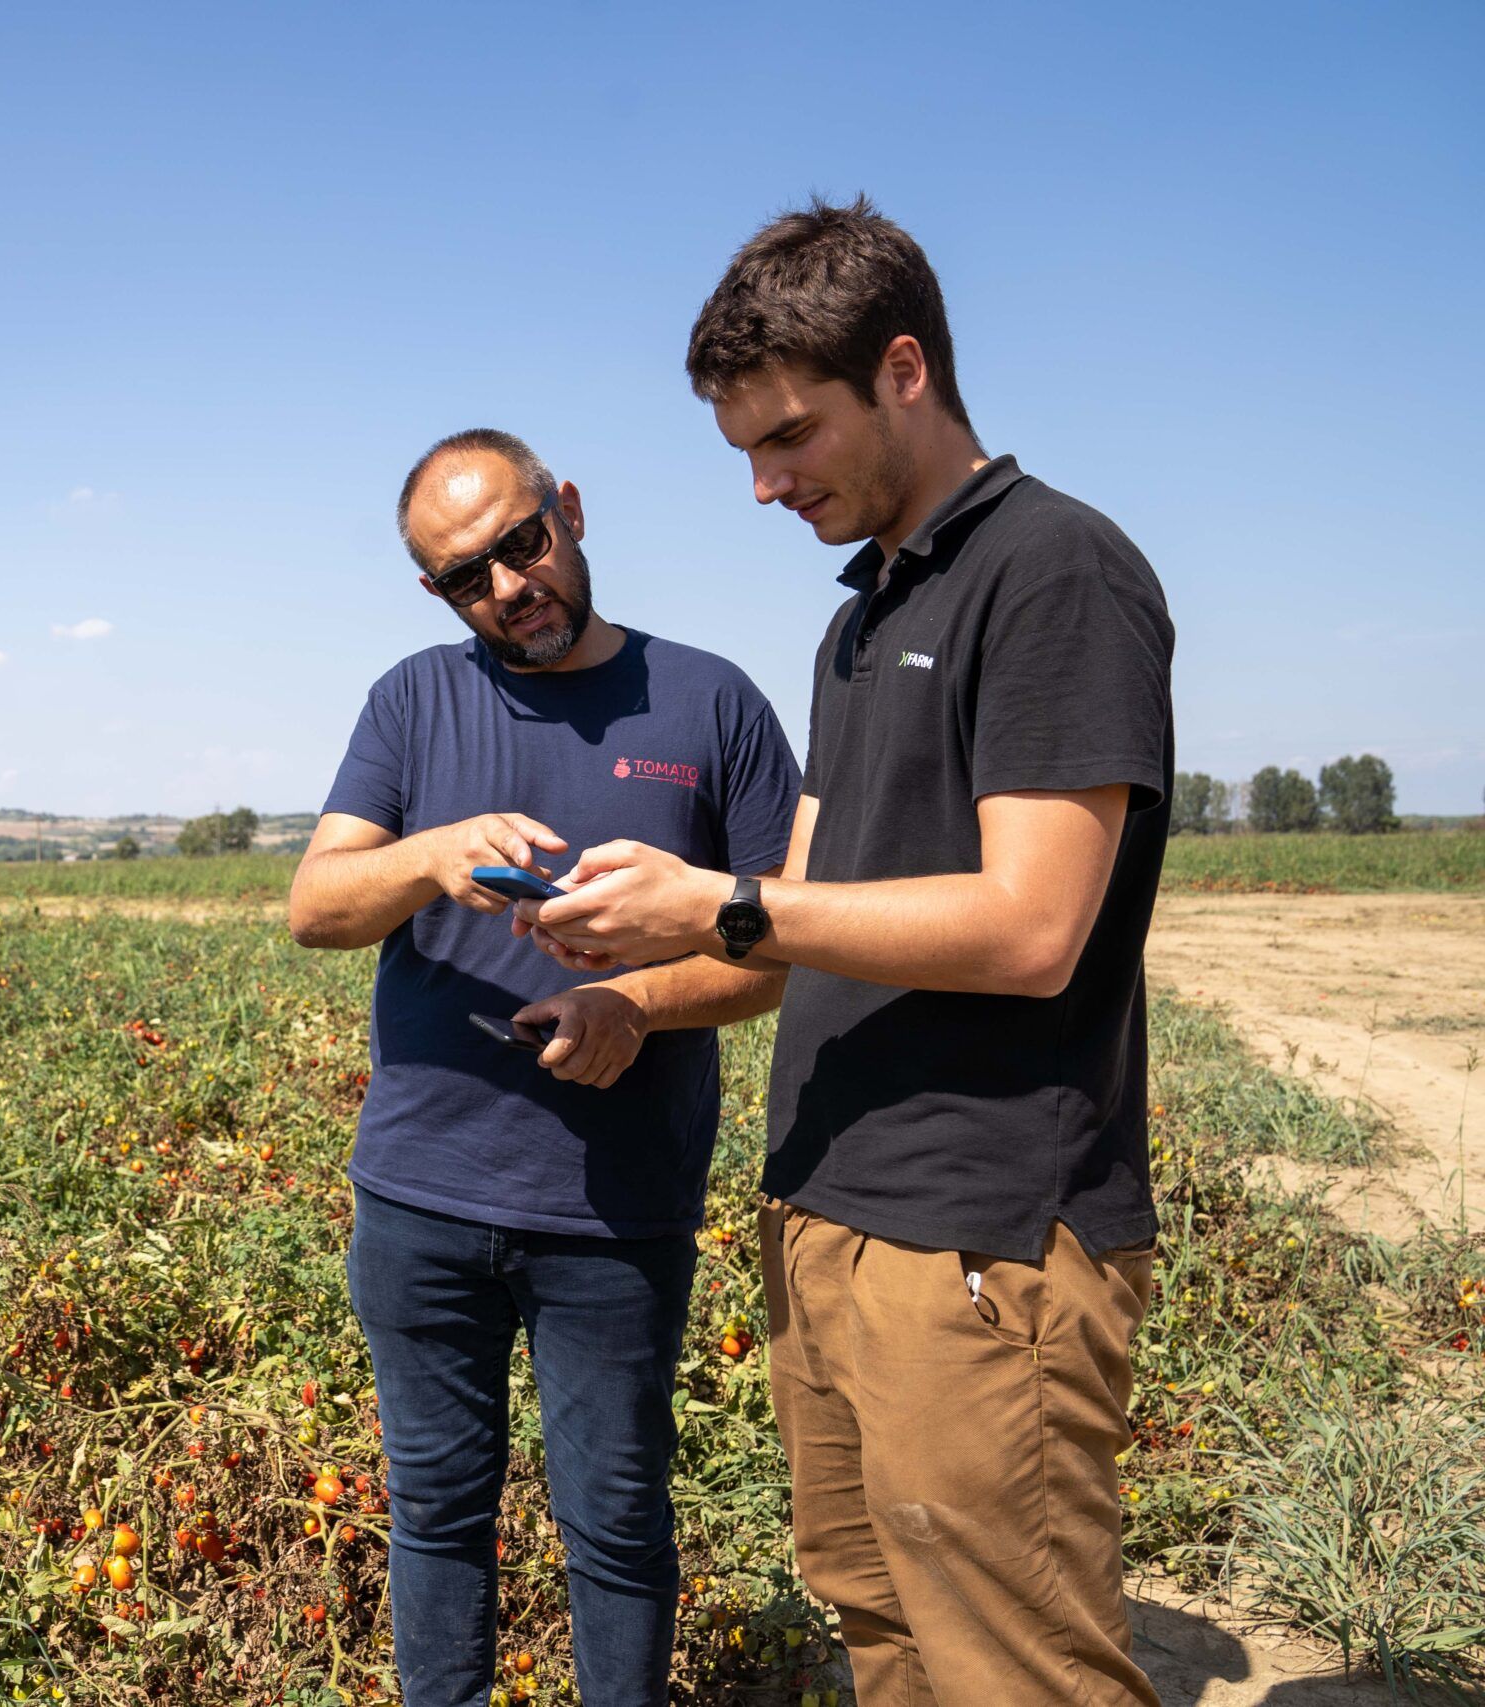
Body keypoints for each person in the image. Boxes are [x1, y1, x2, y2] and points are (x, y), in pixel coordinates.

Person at [515, 198, 1174, 1705]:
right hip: (832, 1210)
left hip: (980, 1234)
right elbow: (803, 899)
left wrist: (727, 903)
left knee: (1016, 1667)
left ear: (903, 371)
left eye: (789, 437)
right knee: (886, 1632)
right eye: (745, 449)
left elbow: (1032, 923)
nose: (762, 485)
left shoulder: (1056, 572)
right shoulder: (864, 615)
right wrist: (638, 948)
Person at [287, 428, 799, 1706]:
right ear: (436, 594)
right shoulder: (414, 698)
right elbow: (313, 906)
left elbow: (782, 949)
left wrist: (632, 1000)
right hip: (417, 1200)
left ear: (567, 511)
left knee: (617, 1524)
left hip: (614, 1211)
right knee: (436, 1518)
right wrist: (428, 854)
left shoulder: (712, 701)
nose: (509, 585)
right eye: (469, 576)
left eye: (523, 543)